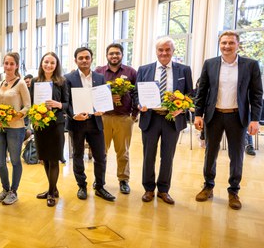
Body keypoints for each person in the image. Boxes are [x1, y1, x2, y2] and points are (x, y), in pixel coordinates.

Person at [194, 31, 262, 210]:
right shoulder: (210, 64)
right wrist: (198, 114)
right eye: (224, 43)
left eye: (231, 43)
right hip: (213, 116)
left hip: (237, 116)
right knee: (210, 153)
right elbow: (202, 92)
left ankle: (233, 191)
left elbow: (257, 94)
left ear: (238, 45)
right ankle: (208, 186)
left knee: (236, 155)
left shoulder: (251, 65)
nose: (227, 46)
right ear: (219, 44)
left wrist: (255, 119)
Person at [135, 37, 193, 205]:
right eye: (161, 50)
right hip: (150, 118)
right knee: (148, 156)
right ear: (156, 51)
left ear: (173, 51)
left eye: (168, 50)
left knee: (167, 156)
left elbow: (191, 94)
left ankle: (163, 190)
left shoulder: (184, 70)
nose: (164, 53)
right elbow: (136, 93)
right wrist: (139, 104)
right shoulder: (144, 69)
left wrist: (182, 108)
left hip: (172, 119)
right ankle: (148, 188)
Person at [65, 47, 115, 202]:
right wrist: (74, 115)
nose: (84, 60)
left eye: (87, 57)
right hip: (77, 123)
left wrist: (103, 109)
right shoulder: (68, 78)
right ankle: (82, 185)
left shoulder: (100, 78)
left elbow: (103, 98)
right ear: (75, 60)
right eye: (81, 58)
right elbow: (66, 102)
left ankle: (100, 186)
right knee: (78, 155)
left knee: (100, 156)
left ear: (91, 59)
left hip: (95, 123)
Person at [95, 43, 138, 194]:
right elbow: (93, 92)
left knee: (123, 151)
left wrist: (134, 115)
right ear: (107, 55)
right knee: (101, 151)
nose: (114, 56)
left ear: (122, 55)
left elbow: (136, 94)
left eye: (117, 53)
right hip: (104, 117)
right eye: (111, 53)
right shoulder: (99, 72)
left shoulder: (131, 72)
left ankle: (123, 179)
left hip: (124, 118)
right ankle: (99, 179)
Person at [30, 52, 68, 207]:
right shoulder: (35, 81)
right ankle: (53, 188)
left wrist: (58, 104)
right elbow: (32, 101)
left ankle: (51, 193)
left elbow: (67, 103)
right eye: (46, 62)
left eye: (52, 63)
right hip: (40, 125)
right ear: (41, 63)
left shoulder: (61, 81)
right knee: (45, 158)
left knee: (54, 159)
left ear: (56, 65)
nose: (49, 65)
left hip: (56, 125)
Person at [0, 52, 31, 205]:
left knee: (15, 160)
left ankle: (14, 191)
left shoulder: (21, 83)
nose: (8, 66)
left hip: (16, 128)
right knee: (0, 162)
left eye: (11, 64)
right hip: (0, 128)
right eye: (6, 63)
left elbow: (28, 106)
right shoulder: (0, 83)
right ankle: (5, 188)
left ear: (16, 66)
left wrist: (16, 116)